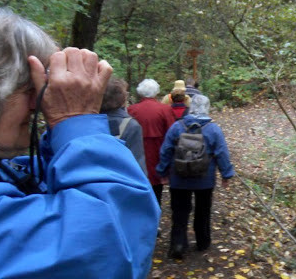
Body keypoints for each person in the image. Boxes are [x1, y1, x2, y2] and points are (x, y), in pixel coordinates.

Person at [0, 0, 159, 278]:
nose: (39, 103)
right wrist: (75, 121)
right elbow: (113, 248)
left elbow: (32, 180)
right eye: (29, 89)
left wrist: (64, 132)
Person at [156, 94, 235, 260]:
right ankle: (202, 241)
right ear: (207, 108)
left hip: (179, 178)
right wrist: (226, 174)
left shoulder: (177, 127)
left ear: (190, 108)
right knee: (203, 211)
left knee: (179, 211)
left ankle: (178, 244)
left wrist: (162, 172)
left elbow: (165, 151)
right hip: (204, 180)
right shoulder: (213, 129)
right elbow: (221, 153)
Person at [128, 78, 177, 205]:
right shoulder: (165, 110)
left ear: (140, 93)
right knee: (156, 189)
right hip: (158, 153)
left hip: (136, 154)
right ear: (156, 93)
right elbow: (172, 134)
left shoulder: (131, 110)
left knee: (138, 184)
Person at [101, 76, 148, 175]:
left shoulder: (88, 121)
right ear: (121, 98)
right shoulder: (130, 126)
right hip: (121, 180)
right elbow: (138, 164)